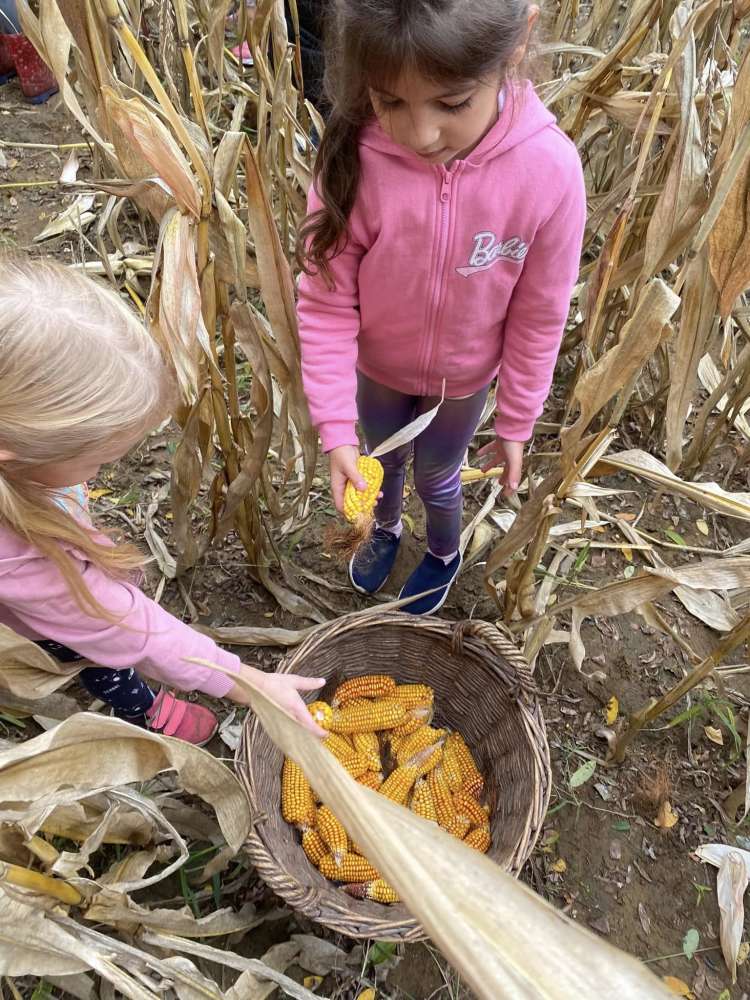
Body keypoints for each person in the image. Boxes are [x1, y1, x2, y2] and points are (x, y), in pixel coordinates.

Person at [296, 0, 586, 615]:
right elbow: (325, 303)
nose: (420, 134)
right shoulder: (355, 157)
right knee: (382, 463)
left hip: (462, 384)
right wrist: (335, 429)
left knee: (438, 475)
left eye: (451, 104)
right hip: (379, 372)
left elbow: (539, 315)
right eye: (390, 102)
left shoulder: (550, 172)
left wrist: (516, 421)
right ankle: (386, 528)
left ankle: (443, 552)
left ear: (517, 43)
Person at [0, 257, 325, 744]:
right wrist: (250, 683)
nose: (100, 473)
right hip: (45, 618)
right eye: (98, 461)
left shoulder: (24, 462)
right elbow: (126, 626)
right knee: (92, 654)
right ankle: (144, 710)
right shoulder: (25, 562)